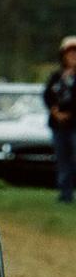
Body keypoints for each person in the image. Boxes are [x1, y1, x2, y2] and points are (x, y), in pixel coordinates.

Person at [44, 35, 76, 204]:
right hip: (58, 125)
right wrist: (55, 111)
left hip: (74, 123)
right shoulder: (57, 76)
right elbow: (47, 95)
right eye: (69, 54)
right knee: (62, 159)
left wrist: (70, 112)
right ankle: (65, 194)